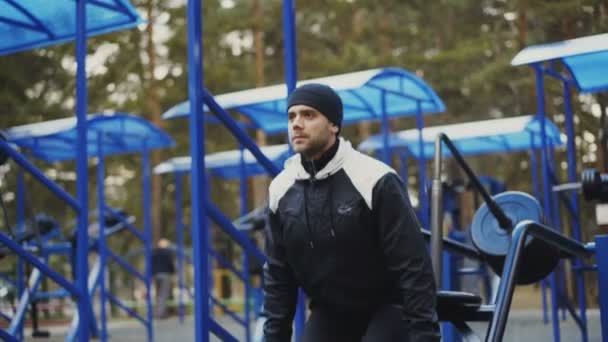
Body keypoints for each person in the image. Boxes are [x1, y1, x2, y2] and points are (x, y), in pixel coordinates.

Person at [263, 83, 440, 342]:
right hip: (331, 312)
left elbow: (413, 267)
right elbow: (279, 279)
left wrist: (426, 337)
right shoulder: (281, 189)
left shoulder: (375, 179)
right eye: (292, 116)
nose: (297, 124)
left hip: (390, 307)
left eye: (308, 115)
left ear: (334, 125)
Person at [151, 238, 175, 318]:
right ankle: (161, 313)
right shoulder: (167, 253)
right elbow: (170, 264)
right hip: (165, 274)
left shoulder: (154, 253)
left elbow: (152, 264)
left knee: (158, 294)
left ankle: (157, 312)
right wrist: (173, 272)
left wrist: (153, 273)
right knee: (164, 294)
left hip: (157, 274)